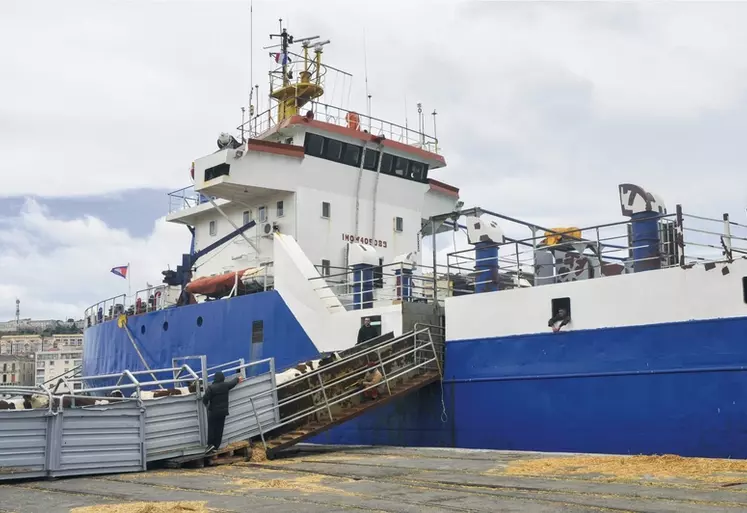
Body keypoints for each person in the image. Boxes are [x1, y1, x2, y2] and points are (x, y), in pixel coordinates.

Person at [202, 371, 243, 453]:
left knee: (211, 429)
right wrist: (238, 379)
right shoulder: (226, 386)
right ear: (223, 378)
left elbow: (205, 398)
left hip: (213, 412)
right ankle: (216, 447)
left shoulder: (211, 388)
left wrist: (206, 405)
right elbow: (233, 383)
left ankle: (210, 445)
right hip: (223, 412)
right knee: (219, 429)